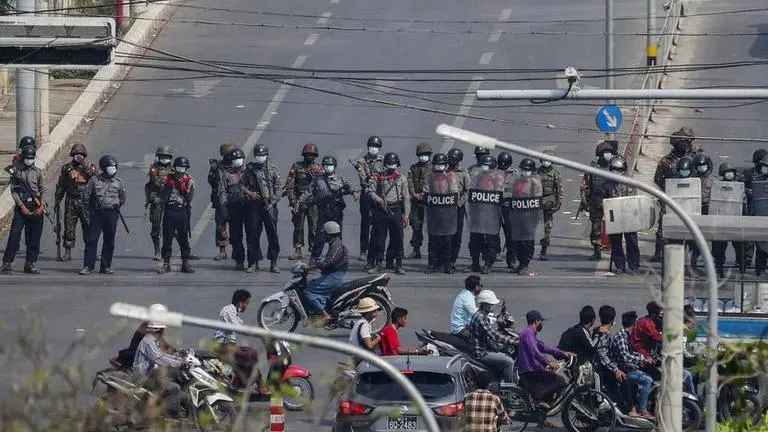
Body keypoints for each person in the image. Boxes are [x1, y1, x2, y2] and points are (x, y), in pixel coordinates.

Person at [651, 126, 701, 262]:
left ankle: (694, 258)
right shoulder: (667, 161)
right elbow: (658, 178)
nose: (688, 144)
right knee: (663, 225)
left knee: (693, 227)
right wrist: (669, 189)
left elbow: (704, 174)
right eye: (685, 141)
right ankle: (658, 253)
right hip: (670, 198)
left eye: (690, 141)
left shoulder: (696, 158)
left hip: (691, 198)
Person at [132, 304, 186, 419]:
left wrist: (179, 359)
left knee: (173, 375)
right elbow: (159, 358)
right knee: (174, 387)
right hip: (143, 377)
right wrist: (179, 363)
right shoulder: (148, 341)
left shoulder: (152, 339)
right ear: (159, 328)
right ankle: (171, 413)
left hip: (149, 373)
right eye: (164, 328)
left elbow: (164, 355)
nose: (165, 330)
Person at [299, 156, 356, 262]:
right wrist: (300, 201)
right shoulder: (318, 179)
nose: (328, 167)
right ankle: (315, 258)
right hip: (323, 209)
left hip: (336, 209)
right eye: (326, 165)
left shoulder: (340, 178)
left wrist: (354, 193)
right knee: (320, 234)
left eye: (330, 165)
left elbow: (350, 188)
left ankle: (336, 258)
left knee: (337, 234)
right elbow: (309, 191)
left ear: (334, 166)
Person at [213, 290, 270, 395]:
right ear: (241, 303)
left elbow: (244, 327)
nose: (246, 306)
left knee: (252, 354)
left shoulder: (234, 312)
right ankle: (256, 384)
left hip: (229, 345)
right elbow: (239, 328)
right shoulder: (228, 311)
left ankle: (243, 382)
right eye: (246, 303)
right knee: (250, 354)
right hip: (222, 346)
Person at [1, 145, 46, 274]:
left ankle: (30, 263)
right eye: (28, 158)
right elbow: (14, 191)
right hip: (21, 207)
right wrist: (21, 206)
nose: (29, 160)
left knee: (34, 238)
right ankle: (7, 263)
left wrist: (42, 206)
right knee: (14, 236)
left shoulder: (37, 172)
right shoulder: (16, 171)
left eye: (32, 158)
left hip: (36, 206)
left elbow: (42, 189)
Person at [80, 155, 126, 275]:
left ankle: (106, 266)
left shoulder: (118, 182)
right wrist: (89, 211)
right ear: (104, 168)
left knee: (109, 240)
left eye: (114, 167)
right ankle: (88, 266)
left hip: (112, 214)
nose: (114, 169)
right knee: (92, 239)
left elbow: (122, 198)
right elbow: (86, 197)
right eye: (111, 167)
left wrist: (114, 206)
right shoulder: (94, 181)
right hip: (97, 214)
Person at [517, 310, 572, 406]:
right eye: (540, 321)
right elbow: (534, 351)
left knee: (552, 376)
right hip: (530, 371)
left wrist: (563, 353)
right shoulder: (528, 333)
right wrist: (548, 362)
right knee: (560, 381)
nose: (541, 324)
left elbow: (544, 347)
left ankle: (544, 402)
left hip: (532, 370)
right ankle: (539, 400)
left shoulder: (530, 334)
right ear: (537, 321)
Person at [242, 144, 282, 273]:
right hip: (254, 205)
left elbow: (278, 187)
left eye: (262, 156)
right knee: (253, 233)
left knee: (272, 234)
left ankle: (274, 262)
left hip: (270, 205)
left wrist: (273, 200)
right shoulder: (249, 170)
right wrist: (249, 193)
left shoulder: (274, 170)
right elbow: (241, 185)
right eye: (258, 156)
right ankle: (253, 262)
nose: (260, 158)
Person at [54, 143, 97, 262]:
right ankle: (67, 252)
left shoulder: (89, 167)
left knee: (88, 227)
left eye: (81, 155)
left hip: (85, 201)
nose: (78, 157)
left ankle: (91, 251)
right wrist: (58, 199)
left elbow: (95, 180)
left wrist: (85, 166)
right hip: (71, 201)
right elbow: (62, 185)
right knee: (69, 226)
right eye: (76, 155)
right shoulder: (66, 168)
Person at [367, 152, 410, 275]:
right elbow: (371, 191)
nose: (391, 166)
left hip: (396, 210)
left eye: (393, 164)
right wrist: (378, 199)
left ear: (397, 164)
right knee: (379, 238)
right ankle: (379, 263)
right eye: (389, 164)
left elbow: (406, 197)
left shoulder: (401, 178)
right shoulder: (378, 177)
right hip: (382, 210)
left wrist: (406, 215)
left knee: (398, 238)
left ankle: (398, 263)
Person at [609, 311, 655, 420]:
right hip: (621, 371)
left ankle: (640, 404)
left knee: (647, 377)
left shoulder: (627, 336)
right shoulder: (621, 337)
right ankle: (643, 410)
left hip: (627, 368)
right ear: (633, 324)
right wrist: (642, 358)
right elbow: (625, 356)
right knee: (647, 380)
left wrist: (643, 357)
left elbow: (631, 353)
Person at [303, 221, 348, 324]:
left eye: (325, 234)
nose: (323, 236)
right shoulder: (335, 244)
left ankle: (325, 315)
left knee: (308, 291)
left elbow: (328, 261)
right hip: (332, 275)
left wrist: (311, 267)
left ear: (329, 233)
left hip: (335, 277)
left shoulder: (337, 245)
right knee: (312, 283)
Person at [468, 290, 517, 383]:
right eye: (491, 304)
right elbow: (494, 335)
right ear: (485, 305)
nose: (493, 306)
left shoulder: (483, 315)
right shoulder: (480, 317)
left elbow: (491, 329)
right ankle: (509, 391)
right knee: (509, 362)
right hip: (482, 353)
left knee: (504, 352)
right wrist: (514, 341)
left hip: (486, 348)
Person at [467, 155, 504, 274]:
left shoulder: (498, 178)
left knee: (490, 240)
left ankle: (488, 263)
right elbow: (470, 189)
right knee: (474, 239)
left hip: (491, 214)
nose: (484, 168)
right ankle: (475, 263)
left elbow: (500, 194)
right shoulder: (477, 177)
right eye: (482, 165)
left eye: (486, 166)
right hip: (478, 213)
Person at [157, 157, 196, 274]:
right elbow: (162, 194)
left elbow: (190, 197)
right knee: (167, 238)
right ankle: (166, 263)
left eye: (183, 167)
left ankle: (185, 263)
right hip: (169, 210)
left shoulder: (190, 181)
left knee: (184, 238)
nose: (181, 170)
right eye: (179, 167)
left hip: (182, 211)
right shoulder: (168, 180)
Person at [423, 152, 460, 274]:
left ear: (445, 165)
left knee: (447, 241)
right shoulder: (430, 177)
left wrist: (443, 198)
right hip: (434, 214)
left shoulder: (451, 177)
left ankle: (447, 265)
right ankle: (432, 264)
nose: (439, 167)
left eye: (441, 164)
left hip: (447, 214)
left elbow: (454, 193)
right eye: (437, 165)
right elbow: (426, 191)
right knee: (433, 241)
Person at [580, 140, 617, 261]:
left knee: (614, 227)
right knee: (596, 228)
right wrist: (585, 202)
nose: (608, 155)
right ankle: (596, 250)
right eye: (605, 152)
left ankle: (615, 250)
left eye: (609, 152)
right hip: (596, 201)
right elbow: (585, 186)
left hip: (612, 201)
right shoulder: (593, 169)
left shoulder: (615, 167)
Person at [603, 156, 641, 274]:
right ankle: (619, 265)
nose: (616, 172)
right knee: (616, 242)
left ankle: (634, 265)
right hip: (615, 217)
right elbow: (605, 201)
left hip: (629, 216)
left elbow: (634, 200)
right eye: (614, 169)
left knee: (632, 242)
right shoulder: (607, 184)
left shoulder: (630, 183)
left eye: (618, 169)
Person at [286, 143, 322, 260]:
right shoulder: (296, 166)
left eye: (312, 155)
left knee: (314, 228)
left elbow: (322, 185)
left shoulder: (318, 168)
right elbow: (290, 185)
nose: (310, 157)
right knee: (298, 227)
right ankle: (297, 249)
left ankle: (313, 250)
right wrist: (293, 201)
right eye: (308, 154)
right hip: (299, 202)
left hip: (313, 202)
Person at [507, 158, 542, 275]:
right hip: (518, 215)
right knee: (517, 241)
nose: (525, 172)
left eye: (527, 170)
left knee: (527, 241)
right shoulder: (517, 181)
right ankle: (520, 263)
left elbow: (536, 200)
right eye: (523, 169)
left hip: (529, 216)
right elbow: (514, 195)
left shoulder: (535, 183)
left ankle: (525, 264)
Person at [712, 162, 747, 278]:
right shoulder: (718, 186)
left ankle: (742, 269)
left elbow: (744, 204)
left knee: (740, 248)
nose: (730, 175)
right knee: (718, 249)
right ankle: (719, 269)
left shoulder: (739, 186)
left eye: (731, 173)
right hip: (721, 220)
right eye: (727, 173)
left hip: (736, 220)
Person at [218, 147, 250, 271]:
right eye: (235, 159)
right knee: (236, 236)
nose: (238, 161)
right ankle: (239, 260)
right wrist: (224, 209)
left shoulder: (249, 172)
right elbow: (223, 193)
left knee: (252, 236)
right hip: (233, 208)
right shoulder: (227, 175)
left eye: (240, 159)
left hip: (248, 207)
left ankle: (253, 262)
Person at [355, 136, 385, 262]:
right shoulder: (361, 161)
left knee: (379, 223)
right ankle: (363, 249)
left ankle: (378, 250)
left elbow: (386, 176)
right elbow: (363, 179)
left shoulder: (383, 160)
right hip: (366, 194)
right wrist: (374, 178)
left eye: (376, 147)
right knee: (365, 222)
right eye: (372, 146)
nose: (374, 149)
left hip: (379, 195)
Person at [591, 306, 627, 410]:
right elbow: (602, 355)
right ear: (613, 320)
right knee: (624, 379)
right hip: (602, 368)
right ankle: (627, 409)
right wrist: (616, 370)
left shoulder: (597, 331)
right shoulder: (604, 335)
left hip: (602, 366)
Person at [145, 146, 175, 261]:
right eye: (162, 157)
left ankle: (171, 249)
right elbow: (156, 182)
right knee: (156, 225)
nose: (164, 159)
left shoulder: (173, 170)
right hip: (157, 199)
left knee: (173, 226)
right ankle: (157, 250)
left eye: (166, 157)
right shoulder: (154, 169)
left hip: (170, 199)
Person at [208, 142, 236, 261]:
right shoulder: (216, 166)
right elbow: (211, 180)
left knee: (236, 226)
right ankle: (222, 251)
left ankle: (236, 250)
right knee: (220, 225)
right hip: (221, 199)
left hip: (235, 199)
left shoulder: (237, 165)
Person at [406, 142, 433, 260]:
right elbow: (409, 181)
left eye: (425, 154)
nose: (423, 156)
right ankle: (416, 250)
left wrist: (425, 194)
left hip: (430, 201)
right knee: (416, 226)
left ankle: (434, 252)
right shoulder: (414, 168)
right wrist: (414, 194)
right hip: (416, 201)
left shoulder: (434, 168)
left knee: (433, 228)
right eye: (421, 154)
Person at [537, 149, 563, 261]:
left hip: (549, 201)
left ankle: (544, 250)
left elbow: (559, 190)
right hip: (536, 200)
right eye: (544, 160)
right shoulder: (536, 172)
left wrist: (558, 204)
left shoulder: (555, 174)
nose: (546, 162)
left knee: (547, 228)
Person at [690, 152, 714, 272]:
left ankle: (714, 266)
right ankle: (693, 264)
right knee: (695, 241)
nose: (701, 168)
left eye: (703, 166)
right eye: (699, 166)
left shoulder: (713, 180)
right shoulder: (691, 179)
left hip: (708, 211)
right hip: (694, 211)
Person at [447, 148, 470, 271]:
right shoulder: (443, 172)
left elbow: (467, 191)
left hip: (458, 208)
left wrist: (459, 204)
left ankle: (452, 261)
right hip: (444, 208)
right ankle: (443, 260)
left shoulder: (463, 173)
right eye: (450, 158)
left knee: (456, 236)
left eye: (454, 159)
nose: (452, 161)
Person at [497, 151, 518, 270]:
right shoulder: (494, 173)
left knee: (511, 235)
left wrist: (504, 194)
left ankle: (511, 259)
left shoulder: (515, 174)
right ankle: (492, 257)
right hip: (495, 207)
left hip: (509, 207)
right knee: (493, 234)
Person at [349, 297, 382, 364]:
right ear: (368, 312)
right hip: (359, 357)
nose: (377, 311)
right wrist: (378, 339)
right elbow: (369, 345)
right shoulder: (364, 325)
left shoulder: (364, 322)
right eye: (374, 310)